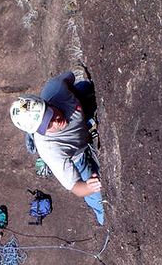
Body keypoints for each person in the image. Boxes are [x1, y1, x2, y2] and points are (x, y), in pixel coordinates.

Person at [9, 71, 104, 225]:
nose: (55, 121)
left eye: (50, 114)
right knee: (97, 197)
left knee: (85, 87)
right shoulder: (51, 150)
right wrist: (89, 186)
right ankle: (103, 220)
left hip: (80, 122)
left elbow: (70, 76)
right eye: (47, 125)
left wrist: (77, 97)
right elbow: (76, 188)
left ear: (48, 103)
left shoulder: (55, 89)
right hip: (76, 155)